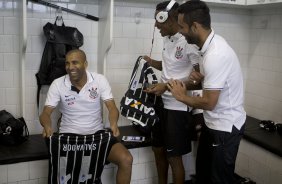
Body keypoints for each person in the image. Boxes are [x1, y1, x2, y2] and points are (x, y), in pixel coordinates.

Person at [167, 1, 246, 183]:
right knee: (203, 175)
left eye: (182, 26)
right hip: (213, 125)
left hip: (225, 128)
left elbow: (210, 102)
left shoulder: (216, 54)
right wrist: (195, 83)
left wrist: (181, 97)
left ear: (195, 26)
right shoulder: (207, 47)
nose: (179, 31)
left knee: (219, 179)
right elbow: (211, 85)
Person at [39, 49, 133, 184]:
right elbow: (46, 113)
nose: (70, 67)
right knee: (67, 177)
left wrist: (113, 123)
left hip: (97, 137)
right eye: (67, 63)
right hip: (69, 139)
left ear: (85, 64)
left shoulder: (99, 80)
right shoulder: (58, 84)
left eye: (75, 63)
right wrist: (47, 125)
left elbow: (112, 107)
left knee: (126, 159)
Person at [143, 1, 201, 183]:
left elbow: (198, 80)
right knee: (158, 150)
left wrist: (166, 86)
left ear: (168, 19)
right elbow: (171, 67)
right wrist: (152, 62)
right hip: (162, 103)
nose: (155, 25)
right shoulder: (168, 38)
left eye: (158, 20)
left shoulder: (188, 43)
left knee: (174, 158)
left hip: (178, 107)